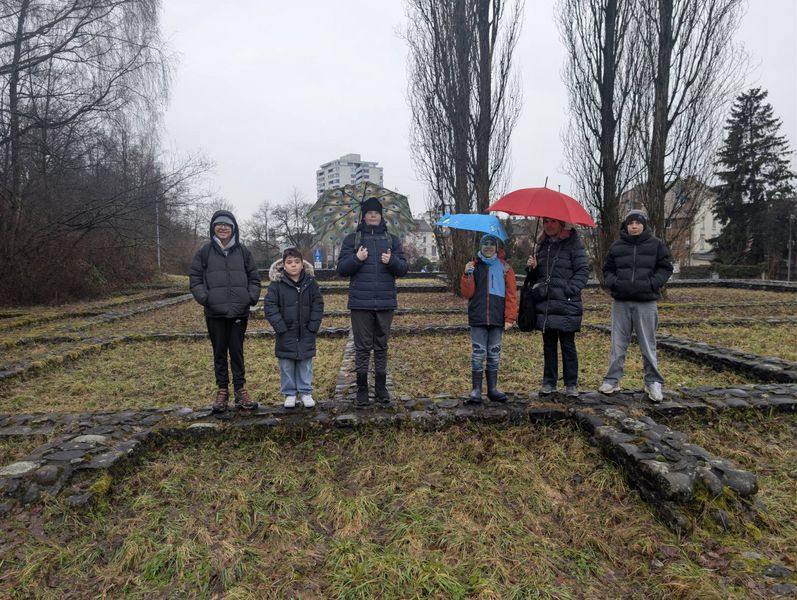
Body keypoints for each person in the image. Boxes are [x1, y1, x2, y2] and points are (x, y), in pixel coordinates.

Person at [336, 196, 408, 405]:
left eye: (376, 212)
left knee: (381, 346)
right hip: (361, 303)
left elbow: (403, 269)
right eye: (369, 212)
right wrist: (357, 259)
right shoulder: (352, 240)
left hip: (385, 301)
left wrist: (392, 261)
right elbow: (341, 269)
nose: (373, 215)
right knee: (362, 347)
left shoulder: (392, 240)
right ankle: (362, 389)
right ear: (364, 216)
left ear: (381, 216)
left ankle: (381, 388)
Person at [189, 210, 261, 413]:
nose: (222, 228)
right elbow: (195, 278)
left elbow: (254, 278)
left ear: (233, 228)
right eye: (219, 224)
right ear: (213, 227)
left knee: (237, 352)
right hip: (215, 312)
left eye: (227, 225)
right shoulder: (204, 252)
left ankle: (240, 390)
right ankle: (222, 391)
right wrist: (206, 299)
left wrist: (250, 297)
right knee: (219, 352)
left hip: (239, 312)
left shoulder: (244, 252)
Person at [599, 208, 673, 402]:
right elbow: (607, 269)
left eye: (637, 223)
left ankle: (653, 382)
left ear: (644, 225)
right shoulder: (617, 246)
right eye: (630, 223)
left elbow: (666, 267)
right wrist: (615, 283)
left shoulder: (656, 245)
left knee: (648, 344)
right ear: (625, 226)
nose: (634, 226)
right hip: (621, 302)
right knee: (618, 343)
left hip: (646, 302)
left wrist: (652, 283)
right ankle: (612, 380)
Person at [526, 218, 589, 397]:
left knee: (568, 345)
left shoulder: (574, 243)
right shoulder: (542, 245)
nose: (549, 225)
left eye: (553, 222)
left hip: (566, 303)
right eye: (546, 222)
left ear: (561, 224)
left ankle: (571, 384)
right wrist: (532, 268)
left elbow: (583, 270)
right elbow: (538, 277)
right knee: (549, 345)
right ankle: (549, 382)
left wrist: (569, 290)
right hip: (546, 303)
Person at [264, 248, 324, 409]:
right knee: (287, 364)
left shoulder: (311, 283)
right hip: (286, 332)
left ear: (302, 264)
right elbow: (270, 306)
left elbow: (318, 304)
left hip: (306, 331)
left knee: (305, 363)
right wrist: (280, 327)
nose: (293, 265)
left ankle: (305, 391)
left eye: (297, 262)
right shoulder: (276, 284)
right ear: (283, 265)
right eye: (289, 262)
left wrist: (313, 325)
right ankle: (290, 393)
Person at [461, 234, 518, 403]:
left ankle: (492, 389)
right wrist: (467, 275)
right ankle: (476, 389)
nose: (488, 247)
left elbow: (511, 294)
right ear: (480, 247)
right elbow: (467, 293)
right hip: (478, 317)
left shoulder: (505, 268)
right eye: (484, 244)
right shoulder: (474, 266)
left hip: (497, 317)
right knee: (478, 354)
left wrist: (510, 317)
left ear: (496, 247)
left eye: (491, 244)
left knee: (494, 354)